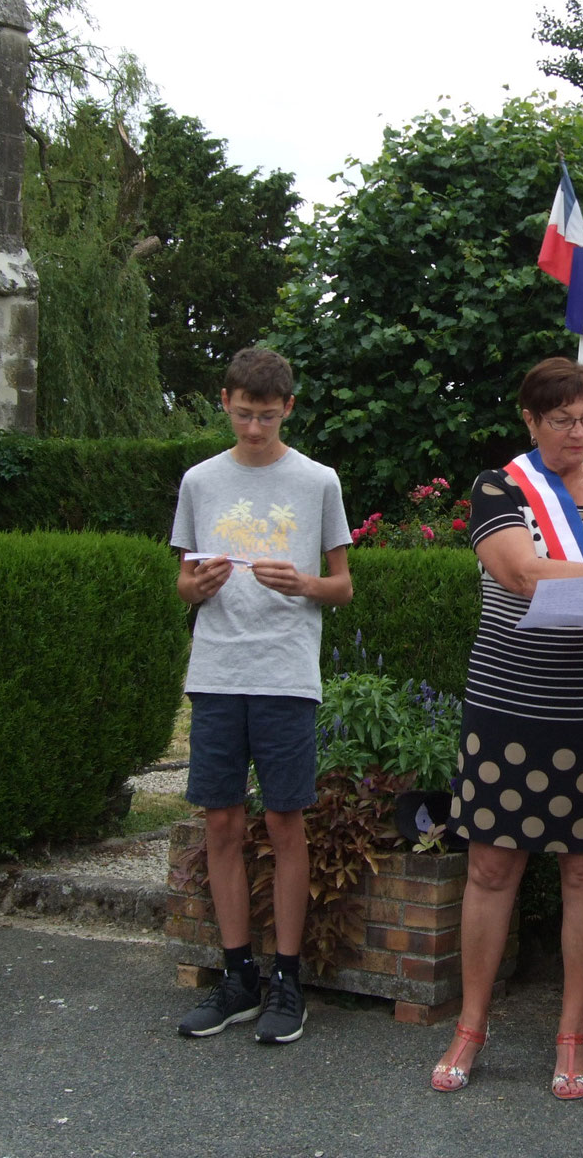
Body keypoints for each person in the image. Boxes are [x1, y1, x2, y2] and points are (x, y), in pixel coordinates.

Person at [429, 357, 583, 1096]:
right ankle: (471, 1024)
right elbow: (520, 574)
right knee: (491, 866)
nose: (578, 432)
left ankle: (573, 1033)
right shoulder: (501, 488)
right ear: (530, 422)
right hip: (511, 706)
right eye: (562, 420)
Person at [170, 347, 352, 1046]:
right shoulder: (199, 481)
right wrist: (199, 585)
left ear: (289, 410)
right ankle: (236, 974)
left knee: (284, 824)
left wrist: (303, 584)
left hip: (284, 675)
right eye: (243, 414)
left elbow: (342, 584)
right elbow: (183, 584)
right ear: (224, 402)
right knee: (220, 823)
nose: (253, 429)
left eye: (267, 417)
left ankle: (286, 980)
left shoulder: (318, 482)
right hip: (216, 672)